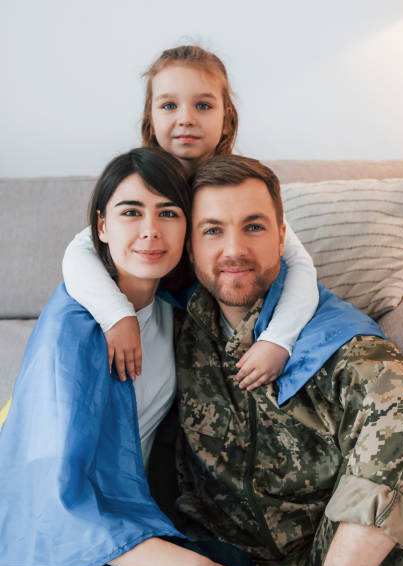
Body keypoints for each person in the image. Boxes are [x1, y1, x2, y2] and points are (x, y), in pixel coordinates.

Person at [0, 148, 258, 566]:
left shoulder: (176, 309)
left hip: (127, 516)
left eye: (168, 213)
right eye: (130, 213)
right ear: (101, 227)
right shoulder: (73, 333)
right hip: (49, 540)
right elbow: (54, 497)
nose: (150, 231)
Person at [173, 154, 403, 566]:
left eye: (254, 227)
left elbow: (398, 404)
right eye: (213, 230)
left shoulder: (339, 340)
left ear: (283, 237)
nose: (234, 250)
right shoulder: (178, 323)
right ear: (189, 246)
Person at [62, 45, 319, 389]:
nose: (186, 118)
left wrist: (278, 340)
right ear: (150, 118)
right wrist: (117, 316)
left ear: (226, 116)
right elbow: (81, 251)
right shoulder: (140, 182)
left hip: (243, 318)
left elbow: (301, 266)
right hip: (173, 326)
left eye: (203, 105)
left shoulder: (239, 187)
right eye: (169, 105)